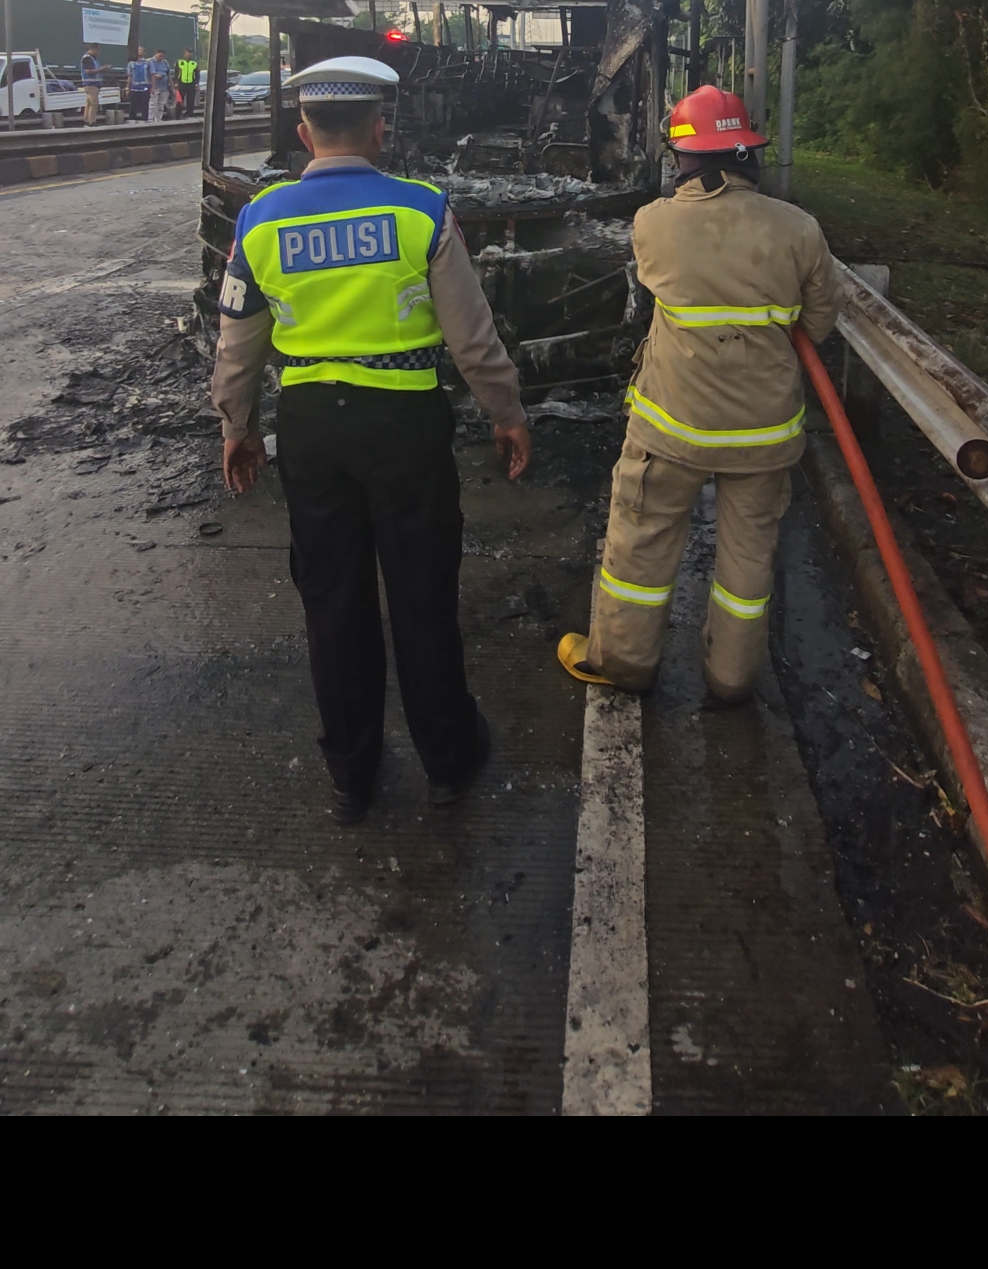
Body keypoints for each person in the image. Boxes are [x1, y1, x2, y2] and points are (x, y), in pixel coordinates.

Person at [211, 55, 532, 823]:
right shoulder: (421, 212)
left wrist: (238, 426)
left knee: (333, 600)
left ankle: (351, 775)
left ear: (304, 132)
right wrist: (507, 413)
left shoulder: (260, 220)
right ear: (379, 128)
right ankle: (448, 761)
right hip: (405, 425)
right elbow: (472, 337)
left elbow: (236, 345)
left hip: (311, 427)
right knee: (423, 592)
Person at [558, 86, 838, 705]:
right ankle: (731, 678)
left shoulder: (654, 223)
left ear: (683, 157)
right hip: (765, 432)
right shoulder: (799, 229)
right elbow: (818, 325)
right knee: (748, 560)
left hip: (672, 425)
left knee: (642, 542)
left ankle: (623, 663)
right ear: (746, 152)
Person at [80, 44, 102, 126]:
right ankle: (91, 121)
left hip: (93, 84)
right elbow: (88, 71)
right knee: (94, 102)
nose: (99, 53)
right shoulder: (87, 58)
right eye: (98, 50)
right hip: (90, 84)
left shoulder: (93, 58)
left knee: (89, 103)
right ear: (93, 49)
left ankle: (86, 120)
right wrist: (101, 69)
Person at [126, 47, 149, 122]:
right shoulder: (131, 63)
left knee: (144, 105)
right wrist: (127, 87)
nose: (138, 51)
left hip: (145, 88)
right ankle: (132, 119)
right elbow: (129, 76)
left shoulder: (147, 63)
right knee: (133, 105)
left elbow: (151, 75)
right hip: (134, 88)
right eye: (137, 49)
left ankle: (145, 120)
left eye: (140, 49)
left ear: (144, 52)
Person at [147, 48, 170, 124]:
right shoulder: (151, 62)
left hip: (164, 87)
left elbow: (169, 74)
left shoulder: (165, 62)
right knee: (153, 103)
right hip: (156, 86)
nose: (161, 58)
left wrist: (172, 87)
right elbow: (152, 74)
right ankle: (151, 119)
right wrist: (153, 87)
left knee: (161, 104)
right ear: (156, 54)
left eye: (163, 56)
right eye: (160, 56)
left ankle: (159, 119)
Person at [176, 48, 199, 116]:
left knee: (191, 100)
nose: (189, 54)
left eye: (191, 53)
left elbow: (197, 74)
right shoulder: (179, 62)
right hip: (182, 83)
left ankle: (189, 113)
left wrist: (196, 83)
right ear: (185, 53)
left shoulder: (194, 63)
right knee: (180, 100)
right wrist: (176, 82)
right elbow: (176, 73)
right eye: (188, 52)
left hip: (191, 84)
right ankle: (178, 113)